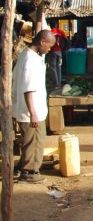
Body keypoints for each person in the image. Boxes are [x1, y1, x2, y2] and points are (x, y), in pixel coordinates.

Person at [12, 29, 55, 183]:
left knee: (30, 141)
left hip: (31, 109)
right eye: (49, 46)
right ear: (42, 42)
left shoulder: (27, 56)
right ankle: (30, 173)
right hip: (31, 110)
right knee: (34, 142)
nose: (49, 49)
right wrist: (33, 113)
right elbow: (28, 88)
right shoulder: (29, 60)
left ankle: (24, 168)